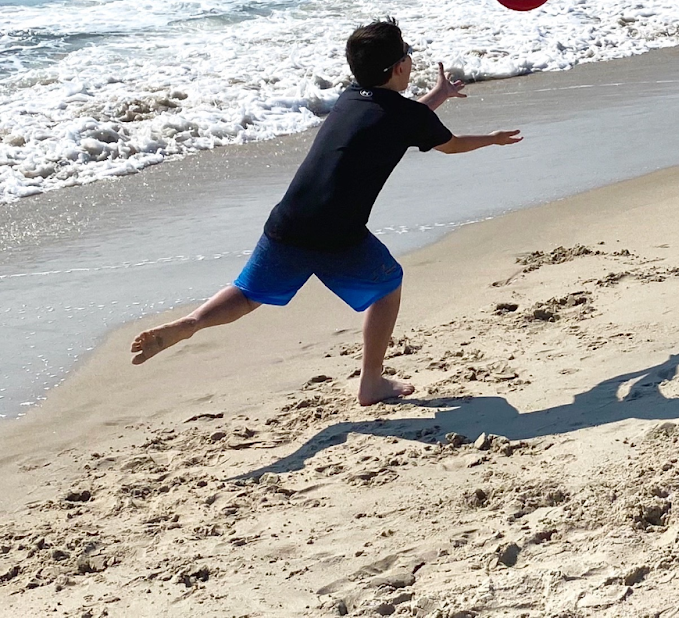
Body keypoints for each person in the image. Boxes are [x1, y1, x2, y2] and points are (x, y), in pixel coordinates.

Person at [129, 21, 523, 405]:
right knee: (387, 286)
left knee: (248, 294)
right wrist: (493, 139)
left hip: (287, 222)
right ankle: (371, 382)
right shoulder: (407, 117)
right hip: (339, 234)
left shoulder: (350, 99)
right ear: (399, 68)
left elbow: (404, 119)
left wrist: (437, 96)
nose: (411, 60)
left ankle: (194, 322)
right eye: (407, 55)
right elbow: (447, 143)